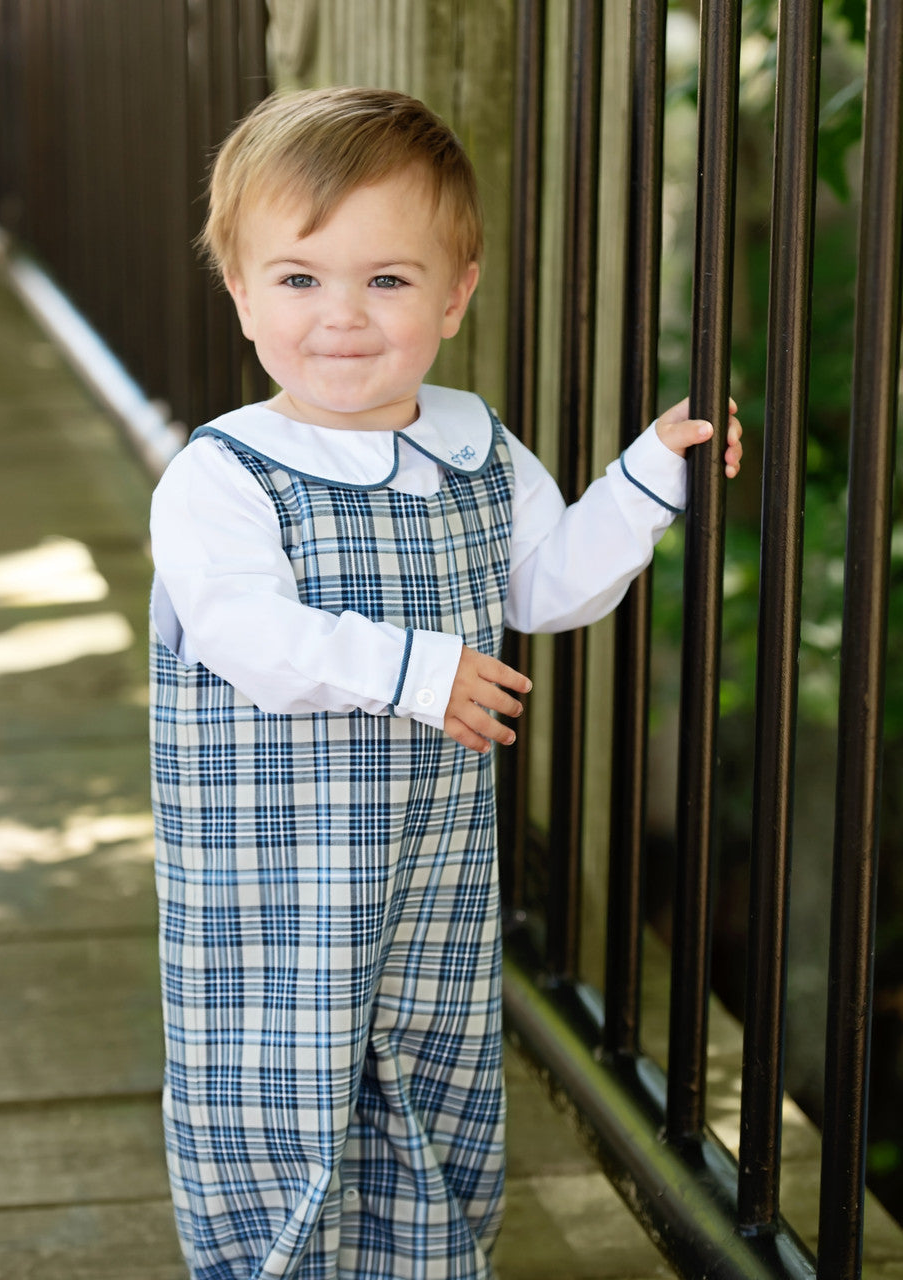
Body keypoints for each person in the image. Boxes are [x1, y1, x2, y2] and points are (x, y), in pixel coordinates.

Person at [149, 85, 742, 1280]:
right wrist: (415, 665)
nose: (342, 318)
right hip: (276, 878)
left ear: (455, 292)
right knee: (279, 1073)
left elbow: (546, 583)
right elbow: (241, 630)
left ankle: (420, 1256)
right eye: (300, 278)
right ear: (242, 289)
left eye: (388, 279)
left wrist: (643, 478)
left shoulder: (471, 444)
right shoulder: (225, 474)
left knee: (429, 1047)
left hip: (428, 856)